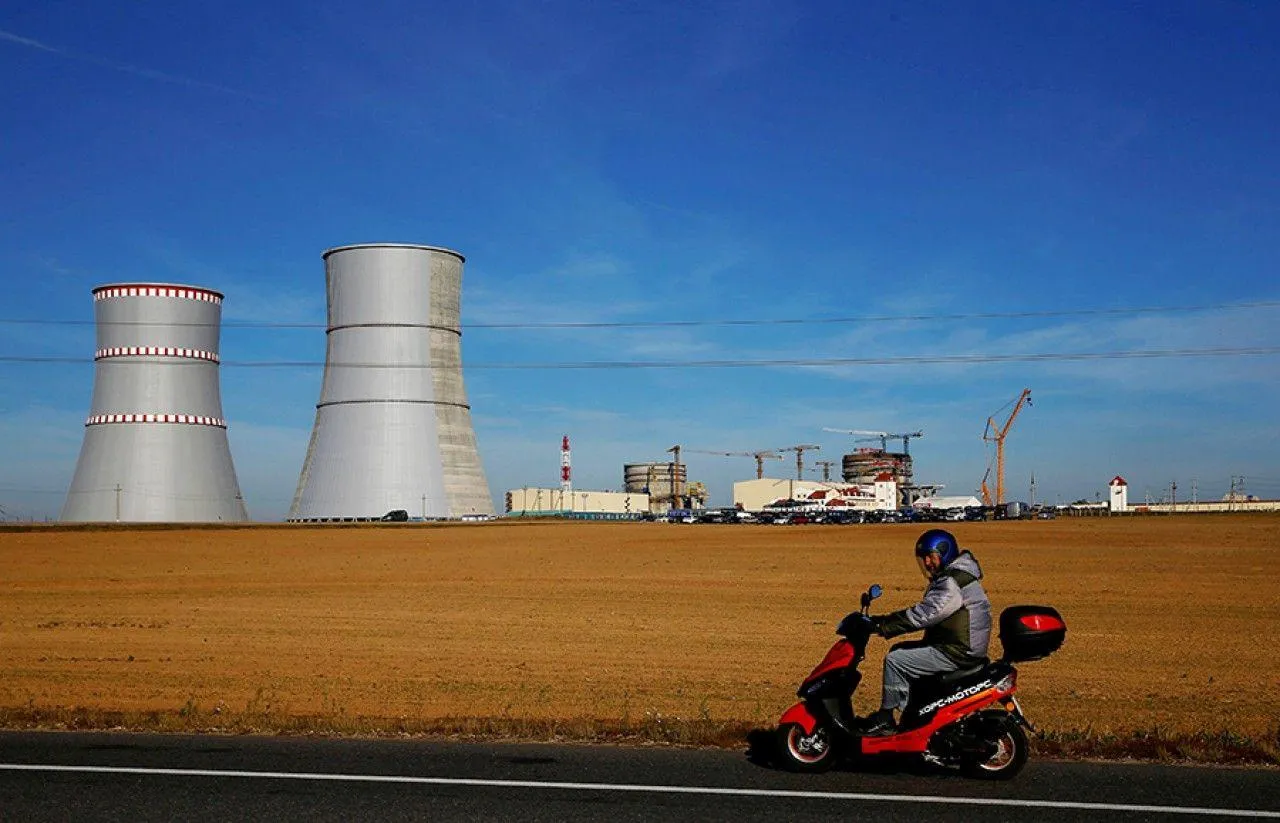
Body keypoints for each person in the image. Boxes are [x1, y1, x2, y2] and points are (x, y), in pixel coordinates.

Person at [862, 528, 992, 736]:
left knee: (896, 660)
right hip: (960, 646)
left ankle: (886, 718)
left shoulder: (951, 582)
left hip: (957, 651)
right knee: (900, 649)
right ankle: (914, 717)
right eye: (924, 559)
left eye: (930, 557)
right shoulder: (958, 575)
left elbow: (925, 614)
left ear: (944, 553)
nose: (928, 563)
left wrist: (881, 624)